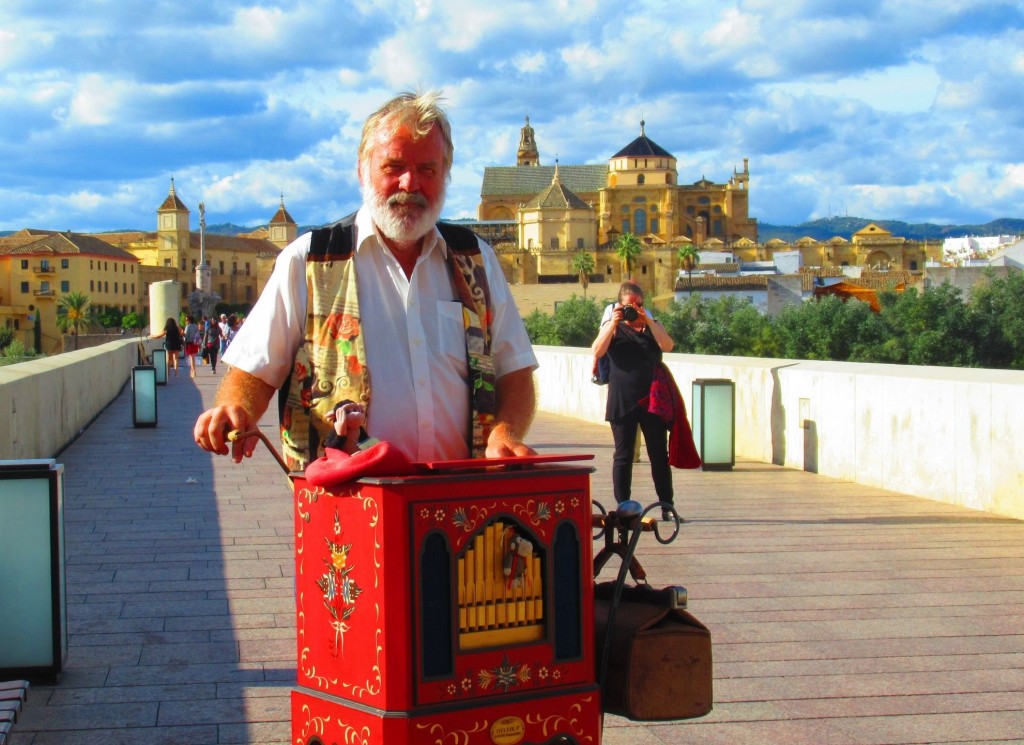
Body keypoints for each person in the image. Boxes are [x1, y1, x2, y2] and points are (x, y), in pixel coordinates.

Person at [193, 90, 538, 471]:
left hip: (459, 506)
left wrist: (506, 433)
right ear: (362, 170)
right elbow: (252, 372)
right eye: (393, 167)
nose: (411, 184)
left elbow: (515, 371)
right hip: (347, 511)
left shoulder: (477, 260)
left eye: (427, 170)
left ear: (445, 174)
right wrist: (234, 409)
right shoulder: (308, 261)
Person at [591, 281, 680, 520]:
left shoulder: (651, 326)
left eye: (639, 305)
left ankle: (667, 507)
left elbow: (668, 346)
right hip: (622, 400)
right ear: (619, 305)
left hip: (652, 401)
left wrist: (648, 320)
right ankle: (624, 507)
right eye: (630, 306)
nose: (634, 310)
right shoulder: (613, 327)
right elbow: (597, 351)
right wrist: (613, 323)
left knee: (659, 455)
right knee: (623, 455)